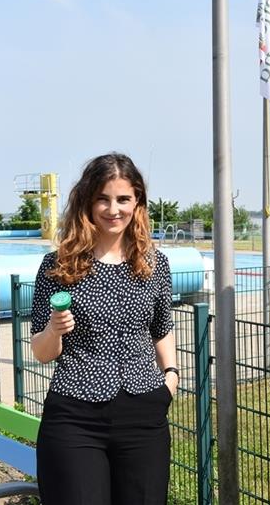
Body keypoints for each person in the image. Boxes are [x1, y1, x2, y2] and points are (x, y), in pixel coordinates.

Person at [31, 153, 177, 504]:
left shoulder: (155, 264)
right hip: (75, 417)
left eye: (124, 199)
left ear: (137, 202)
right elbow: (40, 353)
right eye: (103, 198)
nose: (114, 209)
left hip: (144, 412)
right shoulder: (58, 266)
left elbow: (161, 328)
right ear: (87, 201)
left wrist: (170, 377)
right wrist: (54, 329)